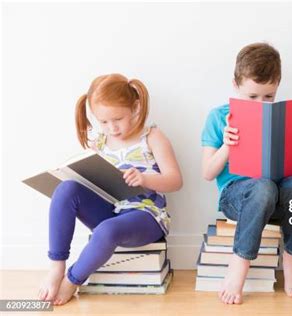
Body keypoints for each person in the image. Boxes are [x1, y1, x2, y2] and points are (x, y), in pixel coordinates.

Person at [38, 73, 183, 305]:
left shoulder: (152, 137)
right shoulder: (101, 143)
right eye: (103, 122)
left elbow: (175, 180)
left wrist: (145, 179)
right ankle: (56, 266)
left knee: (105, 231)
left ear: (135, 108)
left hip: (146, 217)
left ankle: (72, 280)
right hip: (113, 209)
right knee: (66, 189)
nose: (112, 128)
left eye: (118, 119)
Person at [201, 43, 292, 305]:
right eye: (252, 97)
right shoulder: (218, 117)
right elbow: (207, 172)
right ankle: (239, 263)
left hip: (277, 195)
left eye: (268, 97)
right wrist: (228, 145)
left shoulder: (282, 116)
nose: (261, 104)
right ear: (235, 84)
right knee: (263, 187)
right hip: (238, 197)